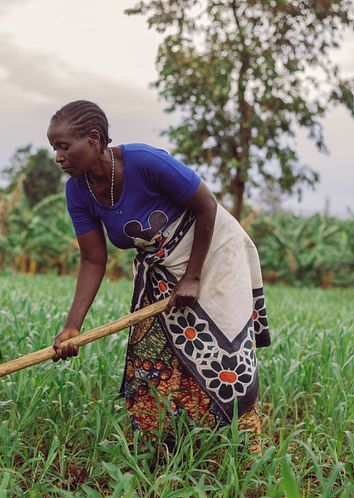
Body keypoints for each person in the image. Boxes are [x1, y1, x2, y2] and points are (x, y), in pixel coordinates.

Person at [48, 100, 271, 441]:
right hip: (161, 267)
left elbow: (206, 206)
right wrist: (72, 326)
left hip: (214, 251)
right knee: (154, 352)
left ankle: (246, 442)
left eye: (63, 147)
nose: (58, 156)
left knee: (223, 352)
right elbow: (93, 259)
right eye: (54, 149)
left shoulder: (144, 162)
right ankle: (165, 443)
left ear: (93, 139)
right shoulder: (77, 191)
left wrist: (192, 277)